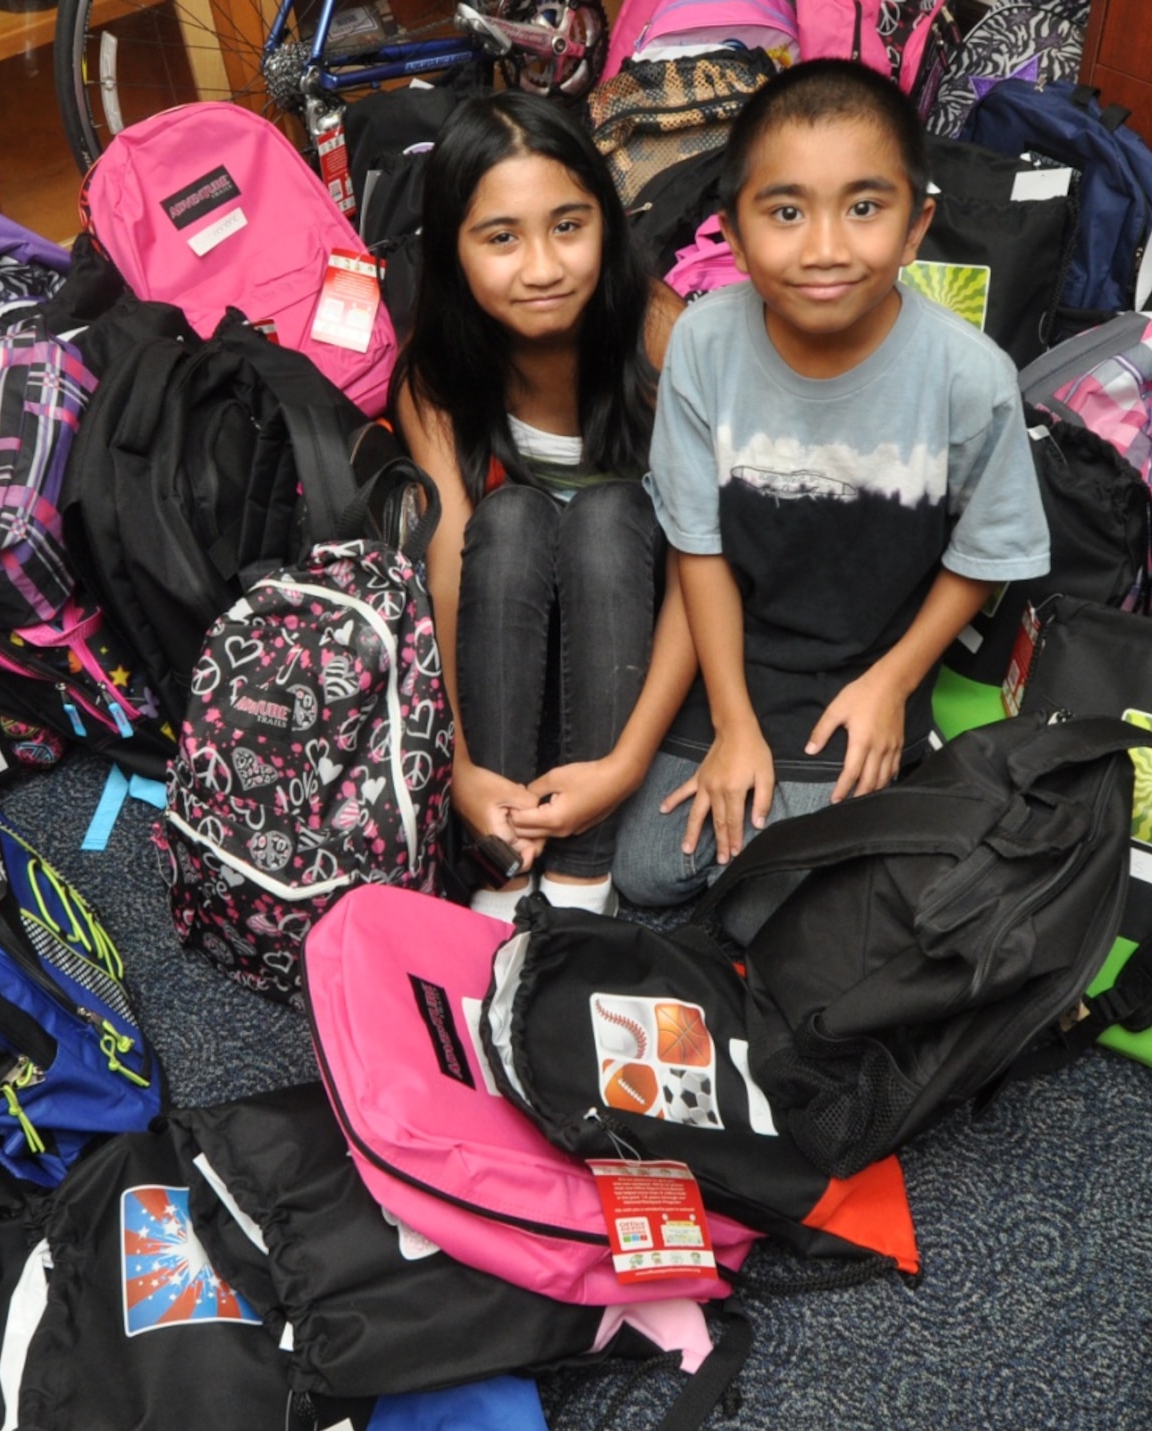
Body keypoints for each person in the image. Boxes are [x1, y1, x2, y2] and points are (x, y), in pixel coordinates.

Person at [612, 59, 1050, 904]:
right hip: (729, 657)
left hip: (862, 664)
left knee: (779, 903)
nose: (825, 248)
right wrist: (734, 720)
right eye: (785, 212)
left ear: (916, 226)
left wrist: (892, 682)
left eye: (863, 208)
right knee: (650, 872)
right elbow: (697, 547)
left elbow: (988, 551)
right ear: (733, 237)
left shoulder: (969, 375)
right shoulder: (703, 342)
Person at [392, 92, 692, 919]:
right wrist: (457, 765)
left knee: (606, 516)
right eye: (501, 238)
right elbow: (449, 562)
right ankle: (507, 857)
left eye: (568, 225)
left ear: (606, 220)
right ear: (452, 254)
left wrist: (626, 766)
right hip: (511, 640)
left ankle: (583, 871)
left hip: (645, 634)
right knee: (513, 517)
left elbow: (710, 564)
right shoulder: (437, 374)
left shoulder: (661, 331)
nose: (543, 267)